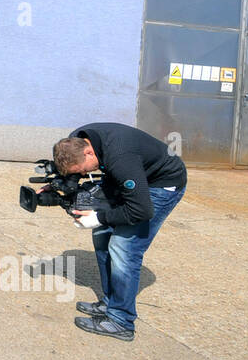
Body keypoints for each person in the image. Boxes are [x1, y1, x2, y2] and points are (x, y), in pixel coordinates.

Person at [52, 123, 187, 342]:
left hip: (160, 185)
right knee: (102, 236)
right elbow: (72, 172)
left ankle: (121, 320)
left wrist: (98, 217)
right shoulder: (75, 141)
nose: (86, 174)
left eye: (85, 169)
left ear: (89, 151)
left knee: (124, 247)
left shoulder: (120, 158)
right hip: (128, 178)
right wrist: (57, 187)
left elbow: (141, 210)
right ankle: (111, 302)